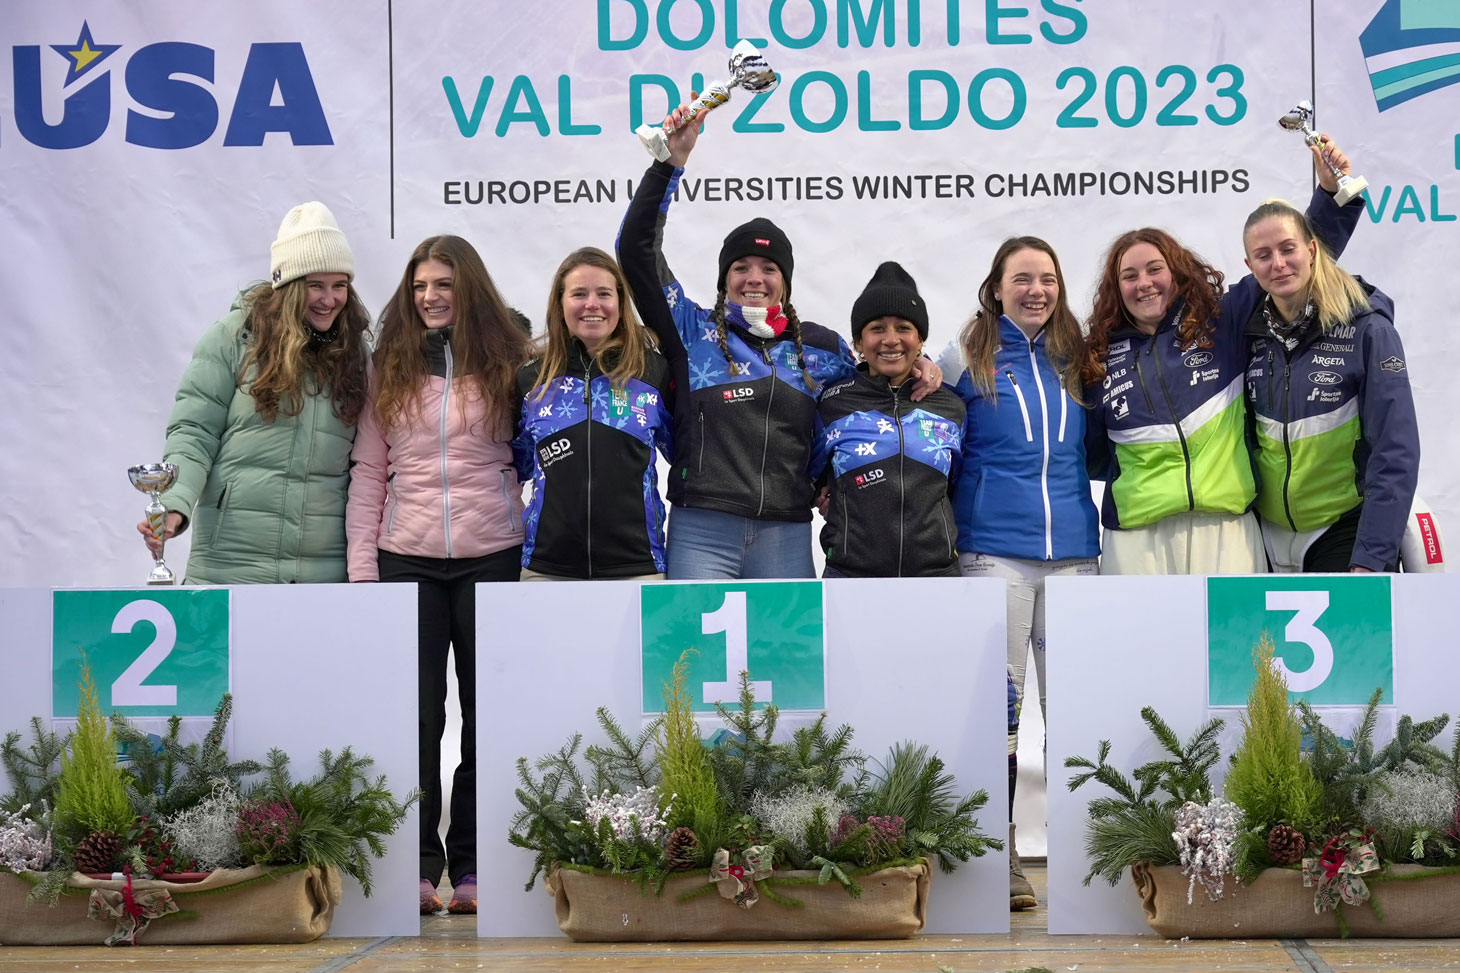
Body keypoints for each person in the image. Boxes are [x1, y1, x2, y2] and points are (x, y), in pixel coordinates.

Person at [616, 96, 940, 579]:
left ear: (785, 281)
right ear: (724, 277)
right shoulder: (692, 331)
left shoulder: (824, 349)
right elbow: (636, 252)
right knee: (695, 656)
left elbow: (881, 369)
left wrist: (922, 360)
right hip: (703, 530)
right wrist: (670, 164)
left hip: (785, 533)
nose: (754, 277)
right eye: (741, 266)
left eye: (769, 268)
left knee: (784, 657)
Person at [344, 234, 532, 915]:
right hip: (406, 559)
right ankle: (418, 865)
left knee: (488, 717)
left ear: (469, 288)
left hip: (494, 556)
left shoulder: (511, 359)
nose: (430, 295)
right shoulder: (386, 364)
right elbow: (369, 470)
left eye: (444, 284)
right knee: (416, 717)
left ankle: (477, 865)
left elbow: (534, 455)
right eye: (421, 284)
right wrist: (364, 573)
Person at [1081, 137, 1363, 574]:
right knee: (1143, 645)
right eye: (1129, 276)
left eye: (1155, 269)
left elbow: (1290, 259)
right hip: (1136, 537)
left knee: (1234, 645)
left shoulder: (1220, 319)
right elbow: (1092, 452)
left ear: (1176, 272)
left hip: (1226, 528)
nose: (1145, 283)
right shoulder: (1099, 356)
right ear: (1115, 288)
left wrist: (1330, 195)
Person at [940, 237, 1099, 910]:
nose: (1036, 289)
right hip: (991, 554)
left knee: (1080, 706)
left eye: (1047, 279)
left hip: (1074, 554)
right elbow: (931, 434)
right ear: (996, 288)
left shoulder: (1077, 361)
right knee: (1000, 715)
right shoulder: (963, 357)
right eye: (1022, 279)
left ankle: (1089, 853)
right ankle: (998, 855)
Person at [139, 201, 369, 584]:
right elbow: (194, 433)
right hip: (231, 565)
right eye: (315, 285)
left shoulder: (355, 353)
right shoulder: (233, 338)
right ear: (289, 286)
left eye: (339, 285)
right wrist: (175, 504)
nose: (329, 299)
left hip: (322, 572)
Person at [1240, 200, 1418, 572]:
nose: (1278, 263)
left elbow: (1395, 451)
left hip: (1344, 532)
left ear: (1312, 250)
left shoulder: (1368, 330)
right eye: (1263, 255)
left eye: (1288, 249)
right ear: (1249, 267)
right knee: (1260, 636)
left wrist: (1372, 557)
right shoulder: (1246, 332)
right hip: (1263, 536)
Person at [512, 247, 675, 580]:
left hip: (637, 566)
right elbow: (517, 465)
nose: (592, 304)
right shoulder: (531, 378)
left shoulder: (653, 371)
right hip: (545, 568)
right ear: (560, 304)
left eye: (604, 293)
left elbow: (683, 454)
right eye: (579, 294)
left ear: (620, 302)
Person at [816, 262, 964, 579]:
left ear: (921, 340)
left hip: (937, 577)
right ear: (858, 343)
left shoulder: (952, 406)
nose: (891, 339)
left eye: (904, 328)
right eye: (877, 328)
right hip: (850, 576)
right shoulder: (832, 402)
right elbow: (806, 475)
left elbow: (960, 487)